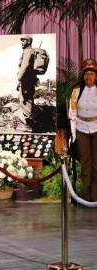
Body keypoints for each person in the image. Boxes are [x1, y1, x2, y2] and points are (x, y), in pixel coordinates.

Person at [69, 58, 97, 202]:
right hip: (81, 130)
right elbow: (72, 113)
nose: (89, 76)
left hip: (96, 129)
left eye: (92, 73)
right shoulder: (77, 91)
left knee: (96, 165)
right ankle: (86, 198)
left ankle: (95, 197)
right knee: (85, 165)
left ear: (96, 76)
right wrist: (73, 133)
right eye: (86, 73)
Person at [17, 35, 38, 132]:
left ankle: (28, 126)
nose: (22, 42)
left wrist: (19, 78)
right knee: (27, 100)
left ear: (28, 42)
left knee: (25, 101)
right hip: (29, 80)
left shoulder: (28, 51)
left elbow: (24, 65)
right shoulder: (30, 51)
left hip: (26, 80)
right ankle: (30, 125)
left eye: (24, 41)